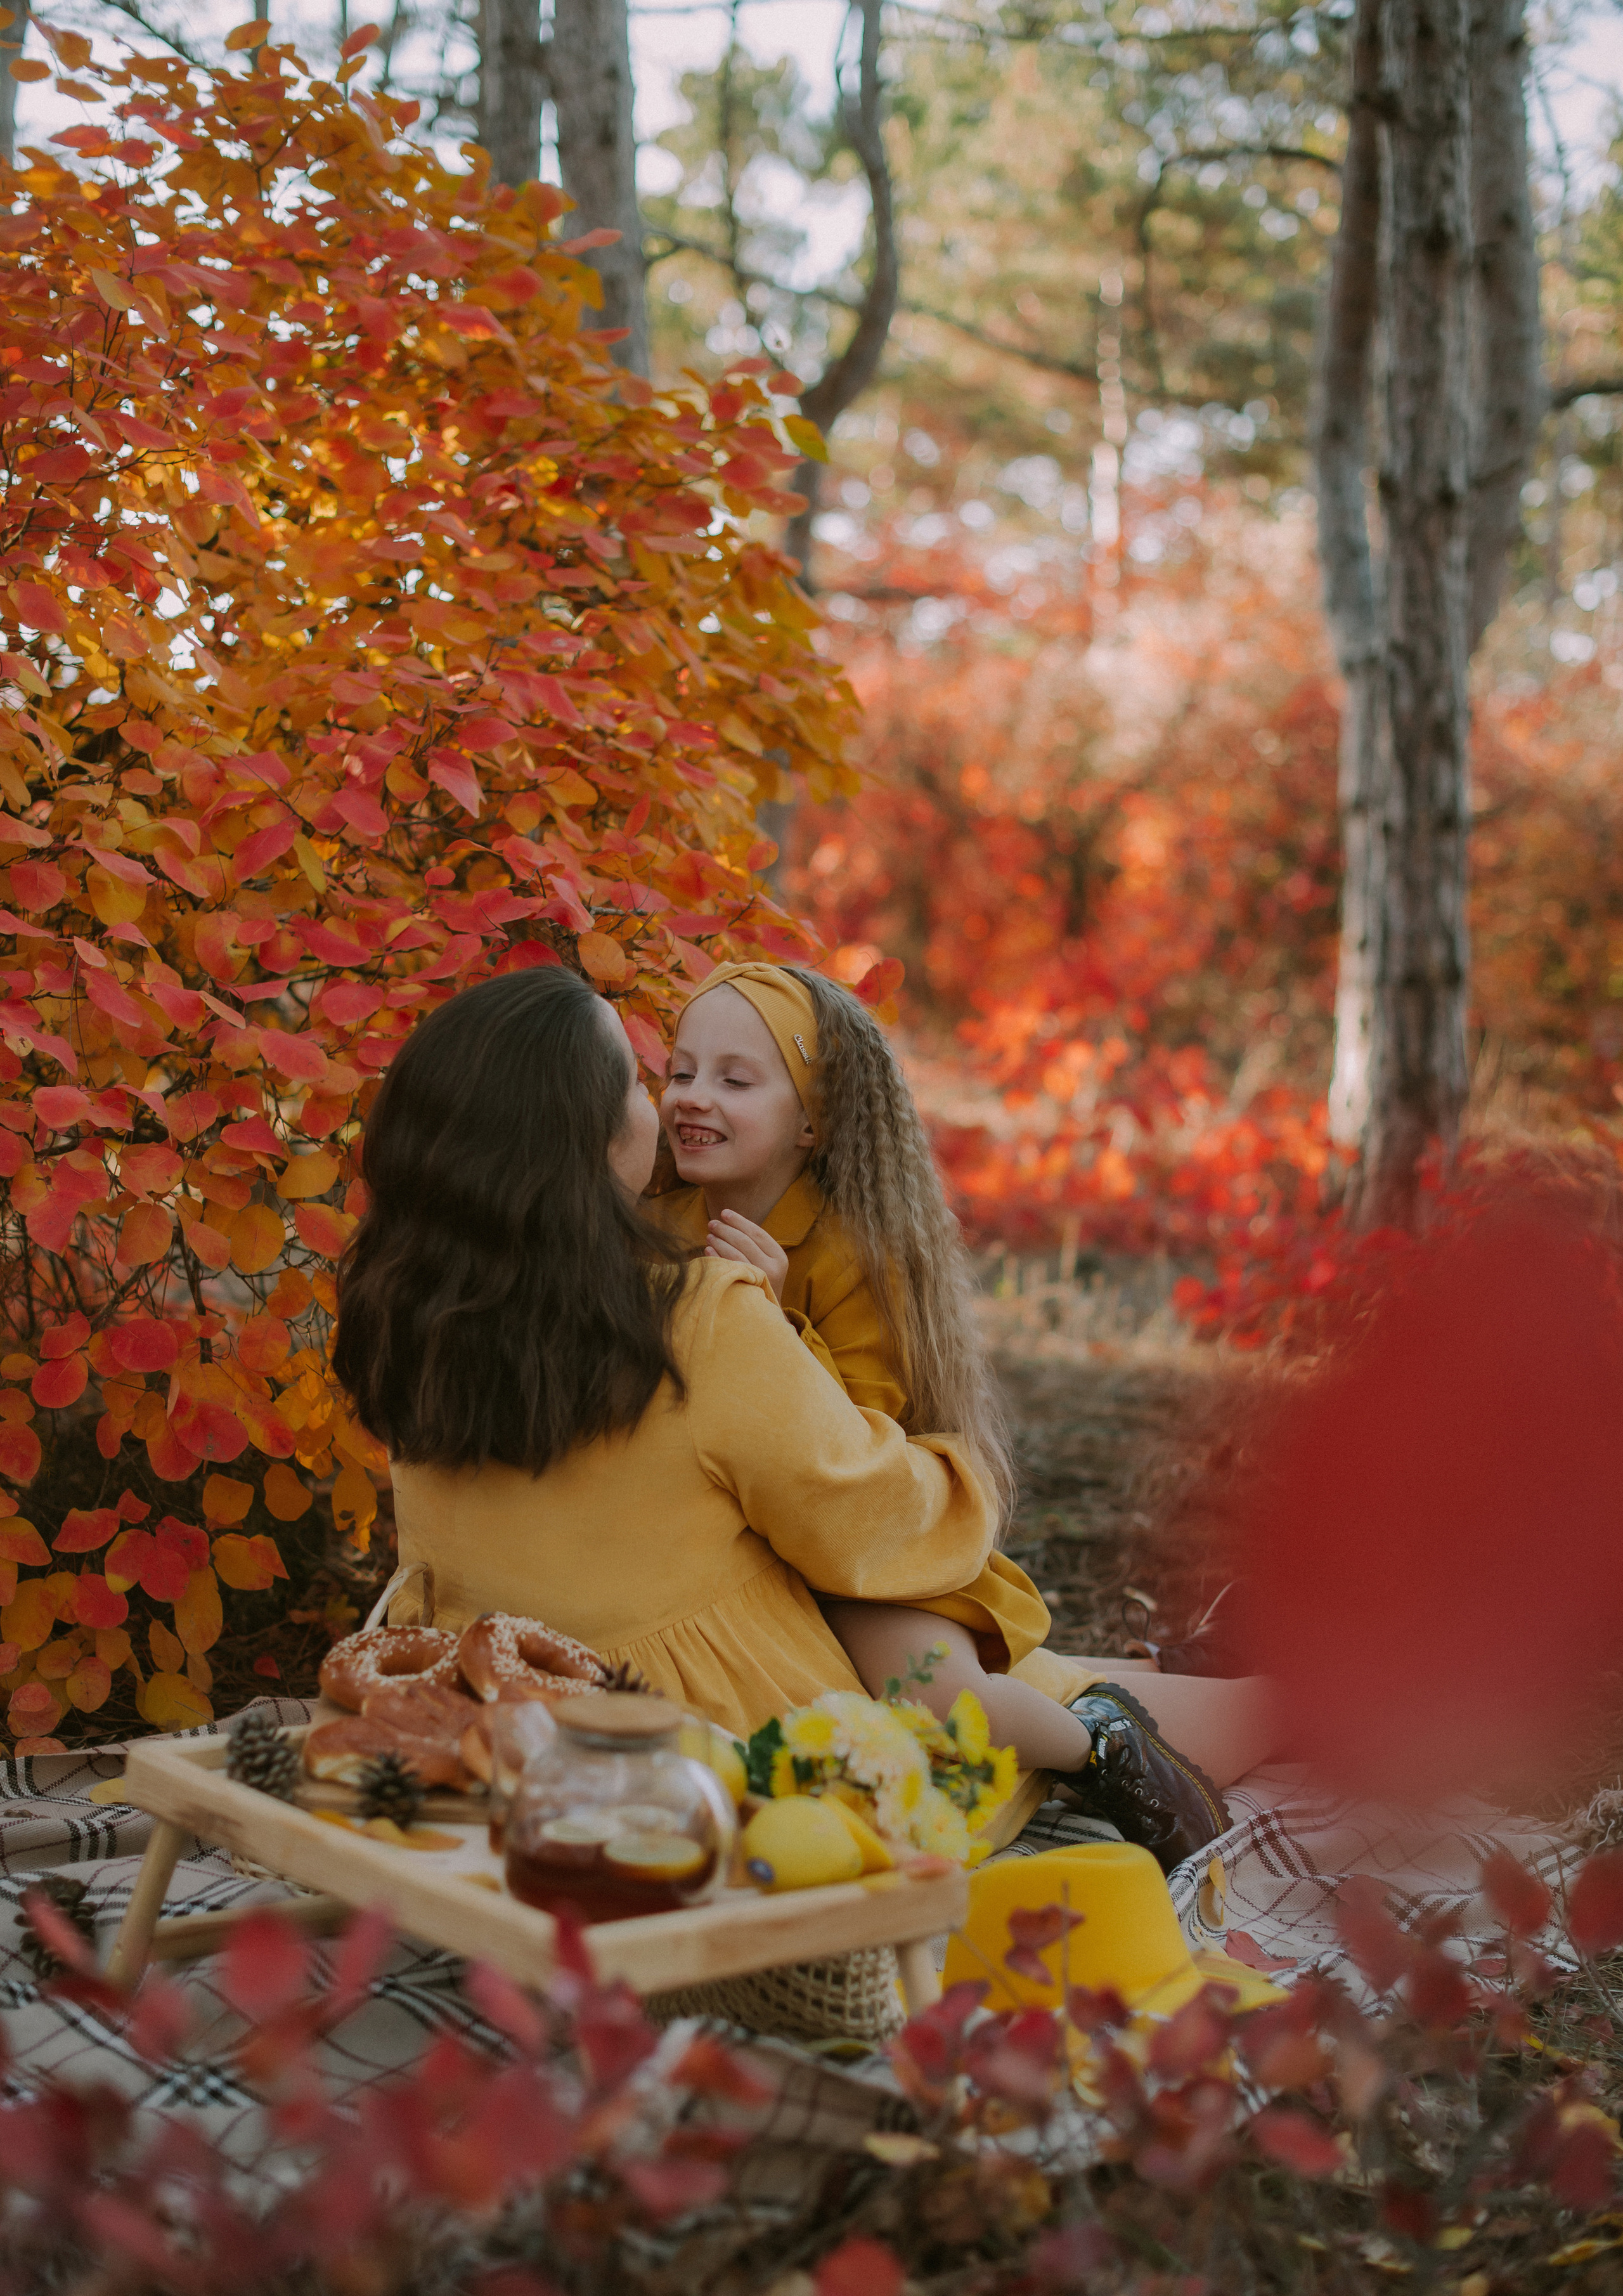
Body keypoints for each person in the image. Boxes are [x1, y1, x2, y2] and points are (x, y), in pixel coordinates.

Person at [332, 966, 1260, 1873]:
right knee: (1002, 1702)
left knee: (1012, 1677)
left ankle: (1212, 1677)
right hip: (723, 1743)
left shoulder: (411, 1310)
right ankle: (1280, 1711)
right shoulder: (696, 1314)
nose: (668, 1105)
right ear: (587, 1137)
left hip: (510, 1714)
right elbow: (860, 1519)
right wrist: (958, 1472)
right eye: (640, 1081)